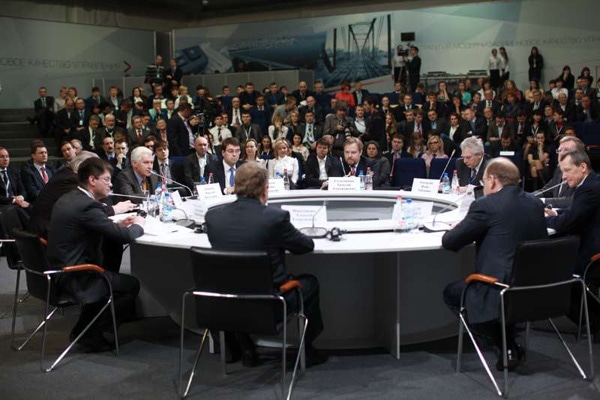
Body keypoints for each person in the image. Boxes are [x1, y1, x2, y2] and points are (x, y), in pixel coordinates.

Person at [204, 162, 326, 367]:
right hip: (271, 305)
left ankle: (243, 345)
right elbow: (305, 246)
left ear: (235, 186)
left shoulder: (213, 217)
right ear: (265, 189)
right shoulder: (274, 218)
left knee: (237, 283)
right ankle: (308, 350)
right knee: (310, 283)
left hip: (224, 304)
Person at [443, 158, 548, 370]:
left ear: (492, 180)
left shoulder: (485, 205)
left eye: (483, 181)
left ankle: (504, 343)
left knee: (452, 292)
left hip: (498, 288)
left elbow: (451, 242)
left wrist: (460, 227)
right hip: (538, 287)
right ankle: (510, 343)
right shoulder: (535, 203)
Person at [46, 157, 145, 352]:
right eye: (106, 180)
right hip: (76, 274)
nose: (110, 184)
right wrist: (139, 225)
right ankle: (93, 334)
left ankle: (84, 330)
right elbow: (124, 237)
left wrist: (117, 224)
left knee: (109, 264)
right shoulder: (87, 206)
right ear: (92, 180)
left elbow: (88, 225)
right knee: (130, 285)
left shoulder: (71, 197)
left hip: (58, 268)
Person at [545, 150, 600, 275]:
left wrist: (542, 219)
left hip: (591, 253)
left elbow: (567, 222)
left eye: (567, 170)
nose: (563, 177)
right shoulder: (593, 181)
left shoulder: (588, 188)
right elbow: (578, 211)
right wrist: (556, 213)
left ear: (583, 167)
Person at [536, 136, 584, 208]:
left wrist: (542, 201)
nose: (561, 154)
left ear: (578, 154)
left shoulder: (582, 173)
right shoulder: (559, 170)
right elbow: (546, 191)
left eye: (566, 150)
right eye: (560, 150)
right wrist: (528, 197)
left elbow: (573, 201)